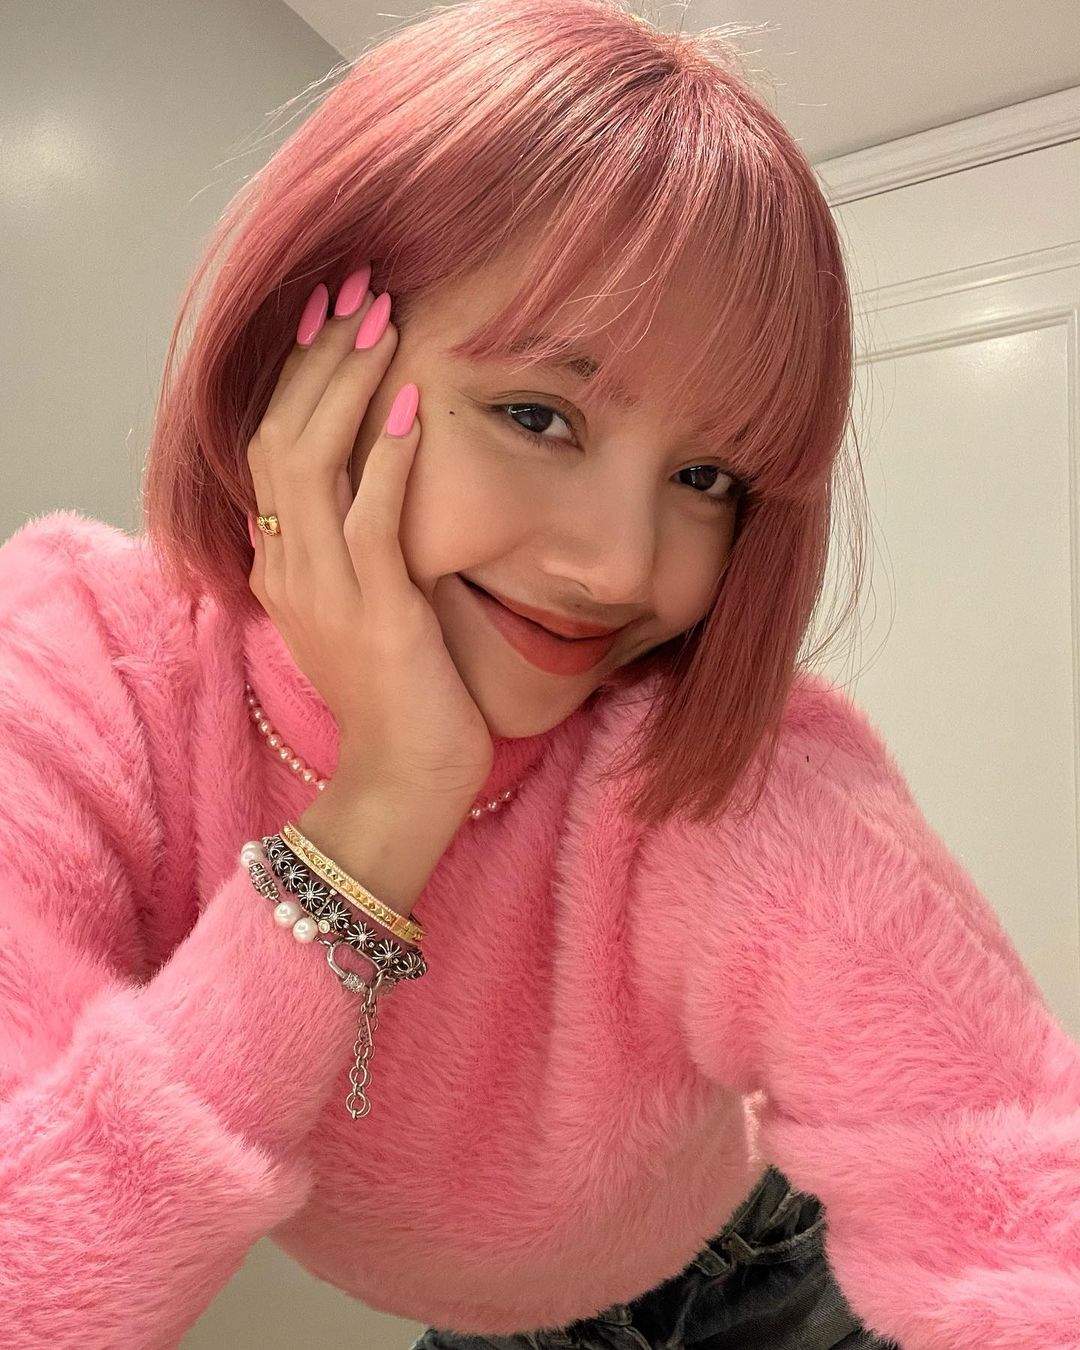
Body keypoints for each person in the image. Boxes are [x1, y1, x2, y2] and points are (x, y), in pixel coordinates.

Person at [2, 0, 1078, 1347]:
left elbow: (1012, 1177)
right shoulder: (87, 657)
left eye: (707, 477)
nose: (624, 568)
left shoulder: (726, 772)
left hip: (758, 1267)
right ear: (308, 365)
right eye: (537, 413)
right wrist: (385, 805)